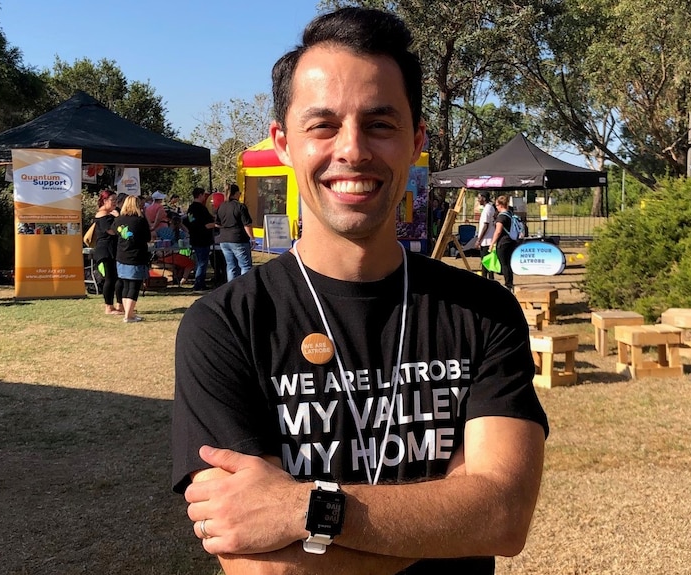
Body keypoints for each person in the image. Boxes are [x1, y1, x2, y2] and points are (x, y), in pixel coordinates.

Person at [172, 7, 547, 575]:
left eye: (380, 123)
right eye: (322, 125)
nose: (352, 150)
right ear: (283, 142)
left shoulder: (483, 313)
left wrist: (306, 508)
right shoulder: (225, 325)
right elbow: (264, 568)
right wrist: (446, 517)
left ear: (416, 139)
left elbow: (502, 516)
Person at [112, 195, 151, 323]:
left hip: (121, 256)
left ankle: (129, 313)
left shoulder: (118, 219)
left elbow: (114, 231)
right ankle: (128, 315)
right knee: (134, 286)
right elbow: (148, 237)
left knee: (126, 285)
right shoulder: (140, 220)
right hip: (136, 257)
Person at [92, 189, 124, 315]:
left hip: (113, 249)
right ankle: (108, 307)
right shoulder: (103, 215)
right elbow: (111, 231)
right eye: (112, 200)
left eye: (116, 200)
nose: (115, 203)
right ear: (104, 201)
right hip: (105, 250)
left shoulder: (111, 214)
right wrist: (118, 219)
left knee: (117, 278)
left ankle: (119, 305)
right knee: (110, 279)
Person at [215, 183, 255, 281]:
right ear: (236, 193)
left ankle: (231, 288)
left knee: (231, 266)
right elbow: (247, 224)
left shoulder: (221, 206)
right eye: (240, 193)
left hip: (224, 240)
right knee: (245, 266)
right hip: (238, 239)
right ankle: (245, 288)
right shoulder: (240, 206)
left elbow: (217, 223)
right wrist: (252, 238)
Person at [183, 187, 217, 291]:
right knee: (202, 262)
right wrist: (216, 224)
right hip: (202, 239)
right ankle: (199, 284)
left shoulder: (191, 208)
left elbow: (189, 222)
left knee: (199, 261)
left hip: (194, 238)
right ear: (201, 195)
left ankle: (199, 282)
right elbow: (207, 224)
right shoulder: (201, 209)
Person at [155, 215, 196, 286]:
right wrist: (182, 226)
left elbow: (154, 234)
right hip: (171, 256)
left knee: (183, 261)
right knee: (191, 263)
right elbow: (188, 234)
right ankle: (184, 279)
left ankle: (179, 278)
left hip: (162, 255)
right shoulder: (180, 233)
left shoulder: (162, 230)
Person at [491, 195, 518, 291]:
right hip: (511, 241)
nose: (496, 207)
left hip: (503, 243)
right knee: (508, 263)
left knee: (504, 264)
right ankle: (510, 282)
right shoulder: (510, 214)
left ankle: (508, 284)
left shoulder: (501, 217)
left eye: (497, 205)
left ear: (501, 205)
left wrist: (492, 243)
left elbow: (498, 231)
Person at [474, 192, 496, 280]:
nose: (478, 200)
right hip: (488, 239)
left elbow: (485, 225)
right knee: (489, 263)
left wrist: (479, 240)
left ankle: (486, 280)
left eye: (479, 198)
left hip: (486, 240)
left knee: (486, 263)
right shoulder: (489, 208)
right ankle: (490, 279)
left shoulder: (487, 209)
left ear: (484, 198)